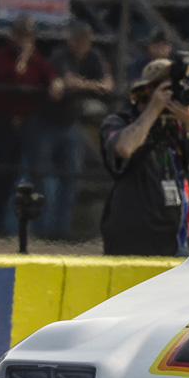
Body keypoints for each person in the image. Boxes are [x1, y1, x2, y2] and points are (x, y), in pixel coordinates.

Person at [99, 58, 189, 256]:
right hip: (130, 241)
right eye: (164, 91)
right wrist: (153, 109)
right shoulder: (120, 121)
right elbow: (124, 148)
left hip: (173, 241)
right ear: (144, 92)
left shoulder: (178, 127)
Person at [0, 15, 63, 236]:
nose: (26, 40)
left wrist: (55, 82)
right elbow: (13, 77)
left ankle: (8, 227)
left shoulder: (36, 57)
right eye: (22, 35)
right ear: (14, 35)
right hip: (1, 120)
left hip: (23, 122)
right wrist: (23, 59)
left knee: (17, 173)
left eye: (30, 36)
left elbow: (49, 75)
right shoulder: (2, 56)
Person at [32, 20, 114, 239]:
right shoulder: (60, 55)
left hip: (70, 124)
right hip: (47, 122)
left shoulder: (93, 55)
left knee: (71, 178)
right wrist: (91, 86)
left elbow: (107, 85)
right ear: (70, 40)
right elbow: (67, 81)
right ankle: (42, 232)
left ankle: (60, 232)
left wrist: (86, 85)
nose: (82, 44)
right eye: (78, 40)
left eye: (85, 40)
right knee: (44, 180)